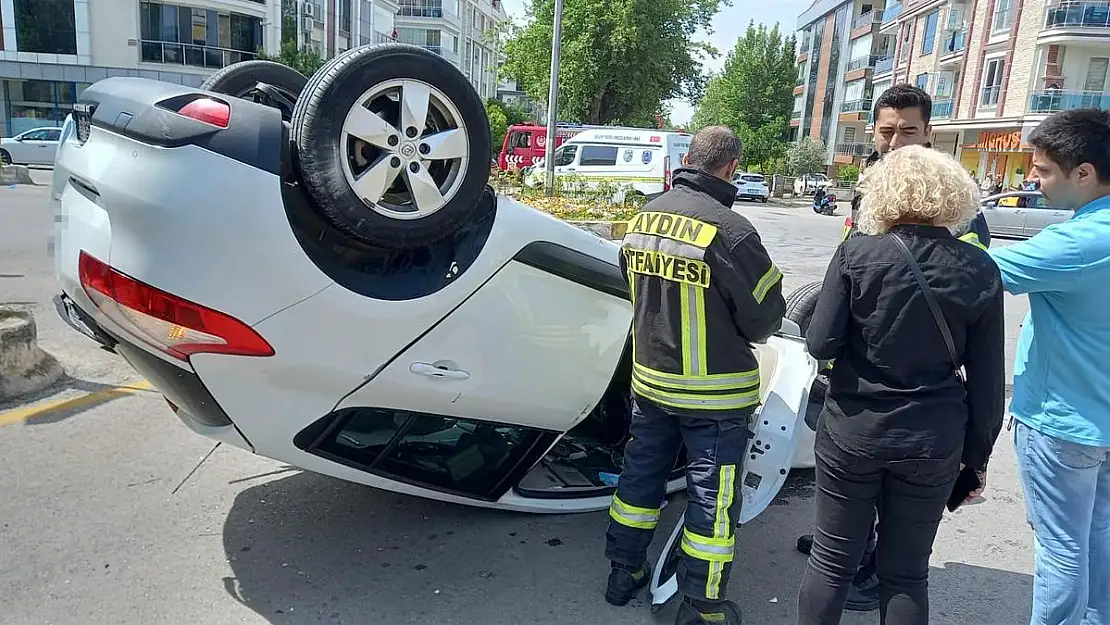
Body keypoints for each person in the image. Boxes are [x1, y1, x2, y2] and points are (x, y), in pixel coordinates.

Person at [796, 144, 1007, 625]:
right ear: (954, 197)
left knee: (831, 561)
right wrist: (975, 462)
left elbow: (821, 344)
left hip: (854, 429)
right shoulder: (979, 268)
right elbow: (989, 383)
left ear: (883, 193)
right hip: (932, 439)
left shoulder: (856, 253)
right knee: (907, 573)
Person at [603, 125, 786, 625]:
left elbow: (630, 284)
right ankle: (702, 607)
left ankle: (624, 572)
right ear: (729, 169)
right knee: (712, 496)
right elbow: (767, 318)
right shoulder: (733, 231)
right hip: (715, 396)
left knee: (640, 476)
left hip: (651, 383)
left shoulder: (644, 215)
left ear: (689, 159)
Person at [987, 108, 1110, 625]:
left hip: (1063, 420)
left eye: (1042, 171)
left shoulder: (1078, 243)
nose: (1031, 181)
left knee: (1061, 548)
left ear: (1083, 173)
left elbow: (970, 275)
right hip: (1100, 420)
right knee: (1099, 536)